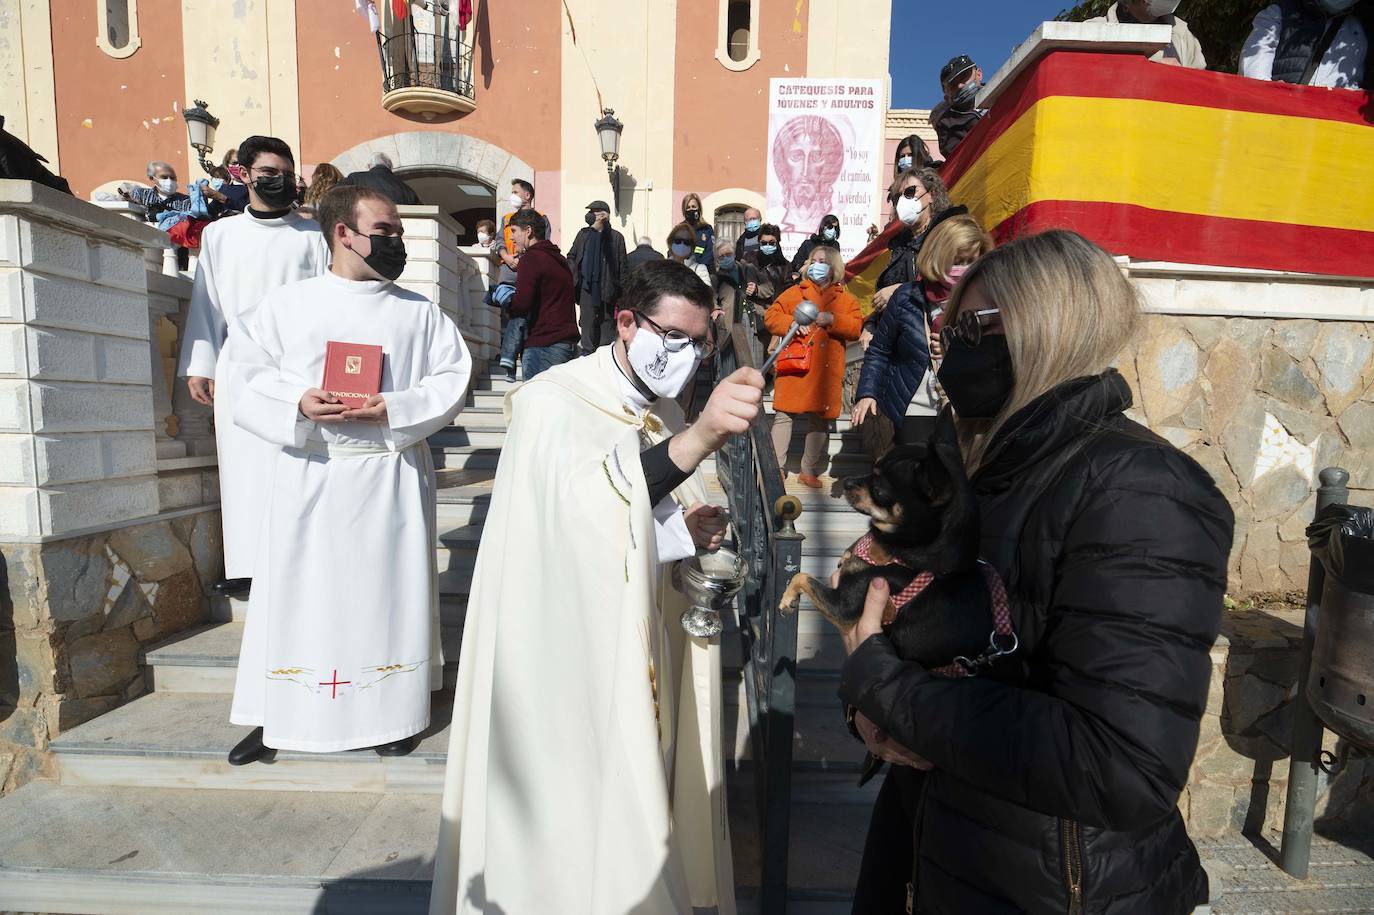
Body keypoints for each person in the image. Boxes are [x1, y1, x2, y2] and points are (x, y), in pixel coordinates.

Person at [837, 229, 1233, 914]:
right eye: (948, 325)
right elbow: (933, 641)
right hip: (939, 845)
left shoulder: (1139, 488)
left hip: (1051, 887)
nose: (950, 344)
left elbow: (1121, 760)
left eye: (974, 326)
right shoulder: (984, 465)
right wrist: (870, 705)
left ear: (1048, 326)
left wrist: (884, 684)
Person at [432, 260, 762, 915]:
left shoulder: (656, 407)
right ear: (626, 323)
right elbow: (575, 518)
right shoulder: (553, 399)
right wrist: (698, 439)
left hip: (632, 641)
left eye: (700, 344)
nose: (687, 357)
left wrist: (683, 528)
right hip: (555, 654)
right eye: (674, 338)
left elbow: (630, 509)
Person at [224, 185, 471, 766]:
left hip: (387, 474)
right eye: (385, 231)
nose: (396, 242)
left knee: (384, 597)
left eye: (398, 234)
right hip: (311, 473)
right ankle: (281, 713)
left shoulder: (420, 313)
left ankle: (392, 713)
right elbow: (243, 375)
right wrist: (298, 401)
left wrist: (396, 407)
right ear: (343, 233)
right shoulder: (285, 307)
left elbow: (451, 380)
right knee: (297, 597)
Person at [178, 136, 331, 597]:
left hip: (299, 369)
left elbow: (329, 303)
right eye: (269, 173)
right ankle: (246, 565)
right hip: (240, 365)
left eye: (287, 174)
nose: (280, 181)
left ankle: (301, 563)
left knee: (297, 465)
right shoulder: (221, 236)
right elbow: (207, 302)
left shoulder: (314, 235)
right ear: (242, 174)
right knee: (242, 468)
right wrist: (199, 363)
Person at [852, 215, 993, 456]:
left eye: (971, 260)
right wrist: (867, 392)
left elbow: (1000, 355)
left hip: (966, 408)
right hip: (916, 406)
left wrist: (960, 352)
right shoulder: (906, 297)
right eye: (957, 260)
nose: (963, 268)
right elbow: (880, 350)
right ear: (939, 256)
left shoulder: (989, 298)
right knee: (915, 483)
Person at [765, 245, 863, 488]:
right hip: (795, 365)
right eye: (814, 260)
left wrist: (833, 319)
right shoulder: (793, 293)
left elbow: (855, 328)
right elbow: (770, 317)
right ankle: (776, 468)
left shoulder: (846, 299)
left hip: (826, 370)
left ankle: (808, 470)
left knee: (820, 419)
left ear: (834, 267)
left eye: (823, 261)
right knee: (784, 415)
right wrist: (793, 323)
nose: (817, 264)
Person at [507, 208, 578, 379]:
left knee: (535, 403)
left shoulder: (531, 258)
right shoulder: (558, 259)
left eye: (514, 231)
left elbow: (522, 304)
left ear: (528, 231)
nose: (511, 237)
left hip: (543, 345)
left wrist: (506, 302)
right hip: (565, 345)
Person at [494, 179, 552, 381]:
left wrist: (524, 260)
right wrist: (507, 257)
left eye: (516, 192)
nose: (513, 195)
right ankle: (508, 353)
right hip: (509, 271)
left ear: (528, 195)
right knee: (508, 311)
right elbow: (500, 241)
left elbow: (542, 242)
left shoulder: (541, 218)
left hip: (529, 268)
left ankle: (517, 353)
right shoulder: (506, 218)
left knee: (527, 311)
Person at [1241, 0, 1371, 88]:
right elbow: (1254, 64)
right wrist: (1270, 95)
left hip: (1333, 124)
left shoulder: (1363, 28)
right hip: (1281, 118)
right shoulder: (1281, 12)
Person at [566, 199, 629, 355]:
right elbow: (571, 257)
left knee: (606, 331)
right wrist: (575, 280)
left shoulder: (616, 237)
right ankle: (587, 359)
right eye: (590, 212)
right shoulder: (584, 234)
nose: (590, 215)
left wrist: (622, 295)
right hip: (587, 289)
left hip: (608, 291)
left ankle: (603, 362)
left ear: (604, 214)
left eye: (594, 211)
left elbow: (623, 267)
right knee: (587, 328)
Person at [1088, 1, 1207, 68]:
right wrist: (1150, 67)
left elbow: (1199, 87)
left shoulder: (1183, 35)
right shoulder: (1091, 30)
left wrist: (1182, 76)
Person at [740, 223, 791, 352]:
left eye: (771, 243)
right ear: (759, 242)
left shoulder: (785, 266)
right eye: (764, 243)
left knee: (772, 361)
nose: (767, 246)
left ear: (777, 243)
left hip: (775, 319)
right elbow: (740, 283)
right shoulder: (749, 259)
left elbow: (788, 293)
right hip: (754, 319)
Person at [929, 55, 987, 159]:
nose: (960, 85)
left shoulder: (1002, 91)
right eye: (953, 85)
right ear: (946, 96)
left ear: (979, 74)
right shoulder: (947, 125)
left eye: (964, 77)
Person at [119, 161, 191, 224]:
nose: (169, 181)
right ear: (152, 178)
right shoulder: (141, 195)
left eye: (172, 178)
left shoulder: (186, 201)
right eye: (164, 177)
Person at [711, 238, 758, 335]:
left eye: (728, 254)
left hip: (752, 321)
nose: (725, 258)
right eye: (721, 257)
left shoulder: (748, 268)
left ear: (734, 254)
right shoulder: (715, 278)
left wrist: (757, 289)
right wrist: (716, 309)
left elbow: (768, 288)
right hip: (731, 324)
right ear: (717, 260)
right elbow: (711, 298)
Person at [339, 151, 422, 205]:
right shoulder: (406, 189)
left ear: (369, 166)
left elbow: (334, 192)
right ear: (390, 167)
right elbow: (421, 210)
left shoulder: (356, 178)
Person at [789, 213, 842, 283]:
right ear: (823, 226)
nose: (833, 230)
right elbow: (795, 264)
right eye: (830, 227)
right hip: (807, 281)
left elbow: (835, 265)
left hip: (826, 282)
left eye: (836, 228)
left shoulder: (835, 245)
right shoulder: (808, 244)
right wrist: (806, 265)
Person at [680, 192, 716, 270]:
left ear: (699, 208)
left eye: (693, 207)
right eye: (688, 207)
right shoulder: (680, 229)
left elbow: (710, 252)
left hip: (703, 271)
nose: (691, 210)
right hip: (684, 272)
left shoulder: (706, 229)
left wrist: (698, 268)